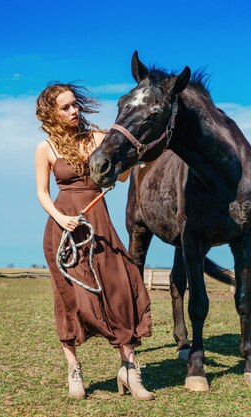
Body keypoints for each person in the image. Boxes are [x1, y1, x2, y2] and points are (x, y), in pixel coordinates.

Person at [34, 83, 153, 400]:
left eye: (75, 105)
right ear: (52, 112)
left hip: (99, 225)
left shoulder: (98, 138)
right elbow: (42, 194)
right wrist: (61, 219)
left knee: (120, 291)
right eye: (65, 107)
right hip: (64, 230)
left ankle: (128, 369)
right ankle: (74, 371)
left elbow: (121, 175)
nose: (74, 111)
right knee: (69, 300)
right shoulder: (45, 148)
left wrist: (132, 161)